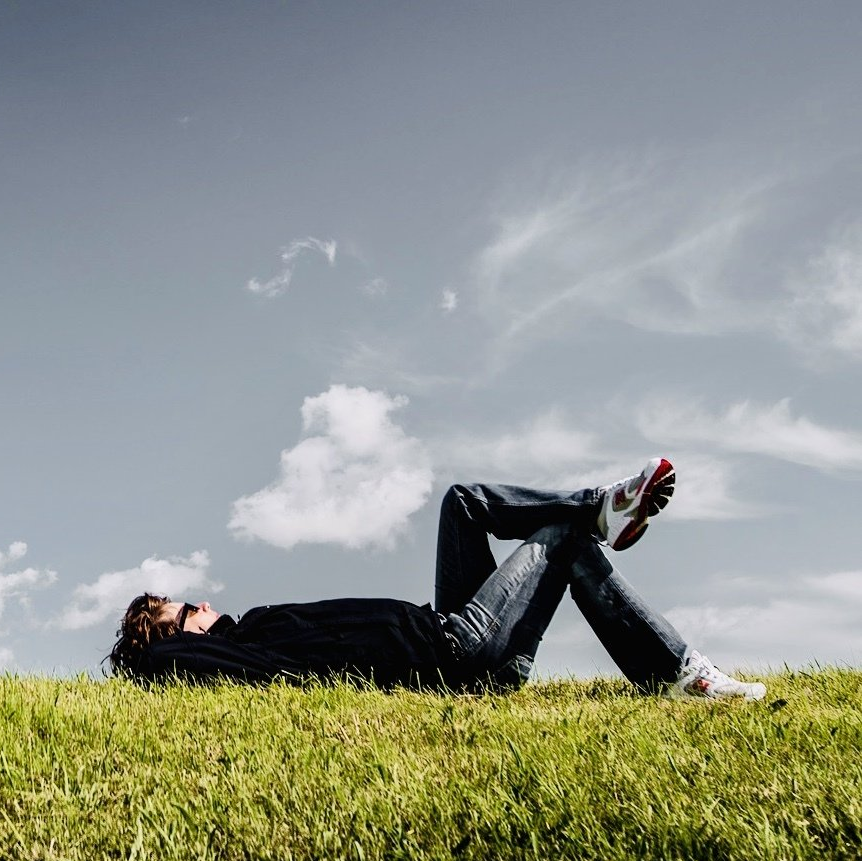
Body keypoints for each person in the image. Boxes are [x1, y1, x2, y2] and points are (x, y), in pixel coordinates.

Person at [109, 458, 767, 701]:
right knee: (563, 540)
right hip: (454, 654)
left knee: (462, 502)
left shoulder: (249, 629)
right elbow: (162, 661)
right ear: (175, 639)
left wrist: (179, 624)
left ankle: (600, 508)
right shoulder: (211, 657)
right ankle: (682, 672)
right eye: (184, 611)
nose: (200, 603)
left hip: (443, 624)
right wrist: (156, 638)